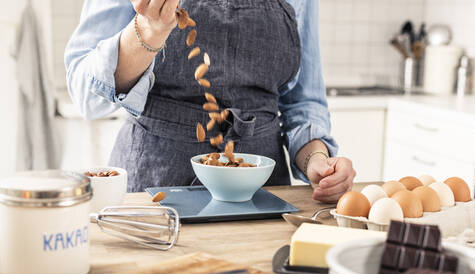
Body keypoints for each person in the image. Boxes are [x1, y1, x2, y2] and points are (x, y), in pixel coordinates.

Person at [65, 0, 356, 202]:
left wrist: (316, 161)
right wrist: (147, 32)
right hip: (153, 194)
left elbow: (302, 103)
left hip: (263, 197)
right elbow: (87, 97)